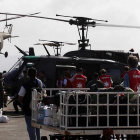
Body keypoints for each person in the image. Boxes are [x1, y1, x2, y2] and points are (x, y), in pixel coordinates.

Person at [18, 67, 43, 140]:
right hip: (37, 107)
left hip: (28, 109)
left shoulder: (25, 85)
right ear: (36, 74)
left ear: (28, 74)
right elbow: (41, 92)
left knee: (30, 127)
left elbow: (20, 97)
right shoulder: (39, 82)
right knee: (37, 127)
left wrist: (24, 104)